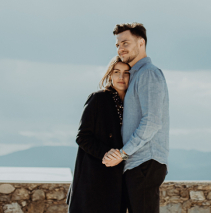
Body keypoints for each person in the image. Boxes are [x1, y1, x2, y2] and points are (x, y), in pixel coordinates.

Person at [102, 22, 169, 213]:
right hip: (136, 163)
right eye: (118, 45)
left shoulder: (148, 73)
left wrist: (123, 153)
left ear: (141, 42)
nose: (120, 48)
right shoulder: (135, 76)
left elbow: (152, 121)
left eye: (125, 43)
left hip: (145, 162)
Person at [67, 56, 131, 213]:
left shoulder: (133, 104)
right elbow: (82, 136)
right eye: (116, 72)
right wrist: (105, 152)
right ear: (110, 75)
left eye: (126, 72)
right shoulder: (98, 99)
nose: (121, 77)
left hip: (118, 183)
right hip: (92, 180)